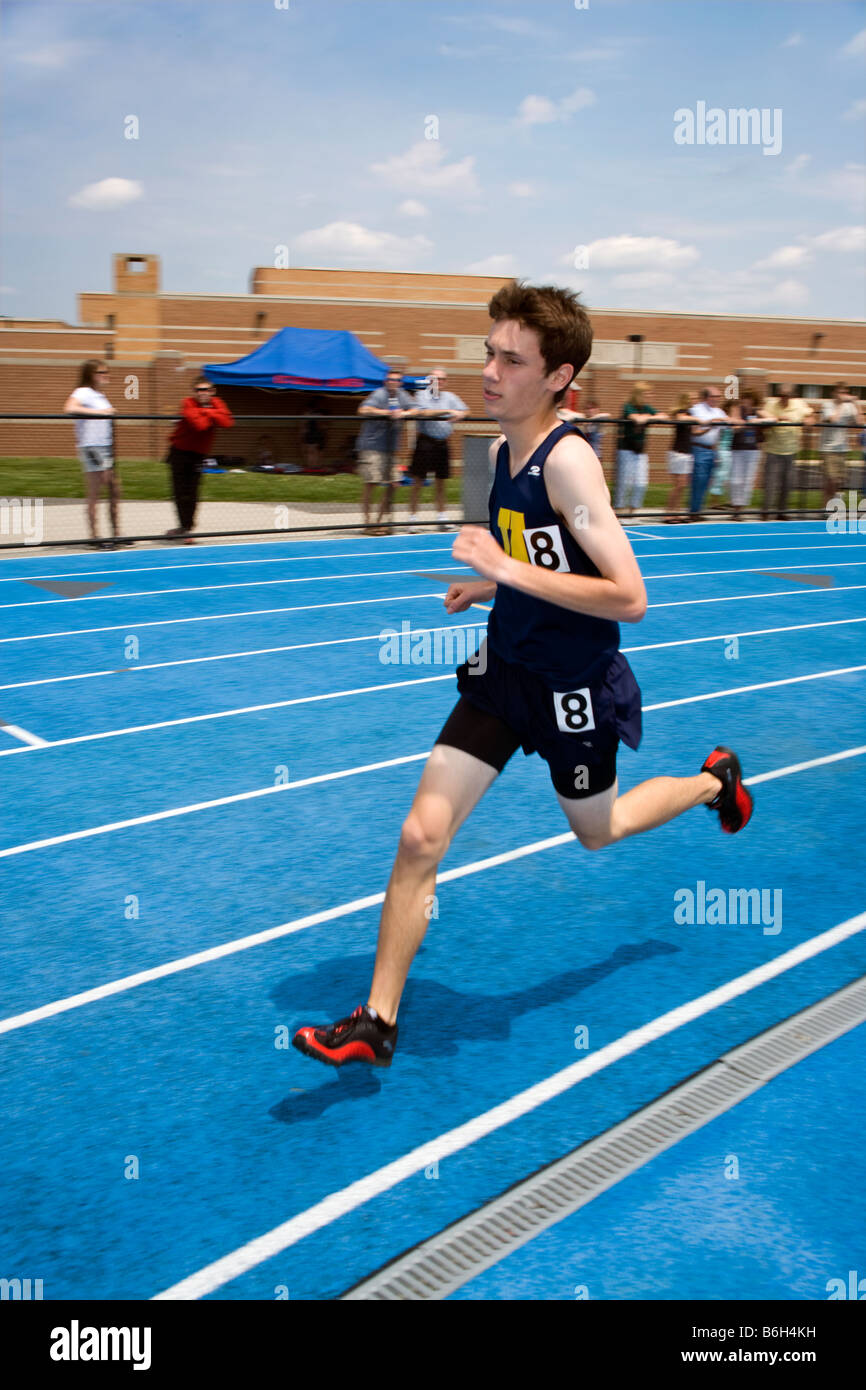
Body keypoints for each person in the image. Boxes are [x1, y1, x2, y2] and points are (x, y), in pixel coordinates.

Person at [293, 281, 753, 1069]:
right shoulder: (483, 452)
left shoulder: (569, 464)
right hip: (505, 673)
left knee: (596, 831)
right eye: (489, 353)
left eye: (513, 359)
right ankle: (379, 1019)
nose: (491, 371)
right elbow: (504, 545)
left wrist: (506, 567)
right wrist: (489, 582)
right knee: (419, 837)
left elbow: (630, 597)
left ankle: (716, 781)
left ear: (558, 377)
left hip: (574, 688)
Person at [63, 359, 128, 550]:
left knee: (115, 490)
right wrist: (100, 412)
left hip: (105, 447)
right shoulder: (83, 391)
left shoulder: (100, 394)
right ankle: (94, 536)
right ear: (90, 374)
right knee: (95, 492)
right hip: (91, 447)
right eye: (101, 372)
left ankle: (117, 533)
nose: (106, 375)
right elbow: (69, 408)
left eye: (107, 371)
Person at [164, 377, 234, 542]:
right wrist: (212, 413)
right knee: (179, 492)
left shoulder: (217, 402)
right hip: (179, 452)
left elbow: (228, 422)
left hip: (198, 454)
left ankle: (188, 528)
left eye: (206, 390)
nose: (202, 393)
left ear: (212, 391)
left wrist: (205, 411)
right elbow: (199, 426)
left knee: (193, 491)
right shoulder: (187, 402)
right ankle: (183, 527)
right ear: (194, 392)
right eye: (199, 390)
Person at [356, 368, 416, 534]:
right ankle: (367, 524)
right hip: (372, 446)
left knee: (394, 484)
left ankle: (380, 521)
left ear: (400, 383)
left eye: (396, 380)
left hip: (390, 448)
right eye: (389, 379)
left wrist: (403, 413)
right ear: (385, 381)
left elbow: (416, 409)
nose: (392, 382)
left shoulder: (402, 395)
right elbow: (363, 410)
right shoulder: (379, 394)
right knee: (371, 484)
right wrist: (387, 413)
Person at [406, 368, 468, 529]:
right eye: (435, 379)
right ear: (430, 381)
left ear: (445, 381)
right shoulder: (422, 395)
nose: (439, 382)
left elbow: (465, 410)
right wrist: (448, 411)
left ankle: (442, 517)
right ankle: (412, 519)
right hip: (425, 443)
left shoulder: (451, 397)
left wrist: (461, 414)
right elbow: (424, 413)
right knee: (418, 481)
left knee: (441, 482)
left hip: (442, 444)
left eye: (442, 379)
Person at [761, 385, 813, 520]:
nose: (783, 398)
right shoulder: (771, 404)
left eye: (786, 396)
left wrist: (808, 420)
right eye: (781, 395)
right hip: (773, 449)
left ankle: (781, 512)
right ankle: (765, 512)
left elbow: (810, 415)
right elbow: (761, 413)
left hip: (791, 450)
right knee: (770, 483)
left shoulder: (799, 404)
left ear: (791, 396)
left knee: (787, 483)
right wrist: (777, 417)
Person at [615, 383, 666, 515]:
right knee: (625, 483)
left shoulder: (646, 408)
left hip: (640, 451)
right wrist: (643, 418)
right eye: (647, 393)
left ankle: (634, 512)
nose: (650, 396)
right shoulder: (628, 406)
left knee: (641, 482)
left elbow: (663, 416)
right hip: (626, 450)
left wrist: (647, 417)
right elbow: (636, 419)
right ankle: (619, 511)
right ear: (639, 394)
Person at [687, 385, 729, 521]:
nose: (718, 399)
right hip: (699, 449)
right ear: (707, 397)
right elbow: (695, 430)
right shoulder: (696, 409)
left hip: (712, 449)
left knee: (706, 482)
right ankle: (694, 512)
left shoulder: (720, 411)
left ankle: (698, 510)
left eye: (719, 396)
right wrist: (711, 423)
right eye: (715, 396)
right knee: (699, 481)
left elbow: (727, 425)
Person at [728, 392, 770, 520]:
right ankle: (735, 507)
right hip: (737, 449)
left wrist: (758, 420)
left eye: (749, 400)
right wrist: (739, 424)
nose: (746, 402)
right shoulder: (737, 409)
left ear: (753, 401)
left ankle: (740, 509)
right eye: (744, 399)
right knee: (736, 480)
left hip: (753, 451)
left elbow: (772, 419)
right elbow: (732, 423)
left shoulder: (757, 411)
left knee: (748, 480)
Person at [818, 383, 861, 507]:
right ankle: (826, 507)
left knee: (839, 480)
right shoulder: (827, 405)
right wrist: (841, 404)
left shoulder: (849, 406)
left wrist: (856, 403)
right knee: (831, 479)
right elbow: (833, 419)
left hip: (842, 448)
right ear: (834, 393)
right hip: (828, 448)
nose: (843, 395)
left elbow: (859, 422)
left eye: (845, 392)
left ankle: (834, 506)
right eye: (840, 392)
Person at [663, 392, 695, 521]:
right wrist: (698, 420)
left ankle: (677, 511)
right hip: (678, 453)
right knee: (678, 485)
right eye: (693, 398)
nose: (695, 400)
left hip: (687, 452)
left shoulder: (691, 414)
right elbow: (681, 418)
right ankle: (668, 512)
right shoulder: (682, 412)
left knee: (682, 485)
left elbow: (695, 432)